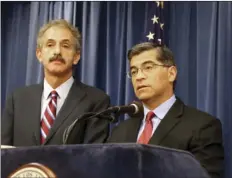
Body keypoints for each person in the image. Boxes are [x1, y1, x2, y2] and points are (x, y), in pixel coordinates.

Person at [108, 42, 224, 178]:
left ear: (171, 73)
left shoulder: (202, 126)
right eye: (134, 71)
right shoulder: (120, 132)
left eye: (148, 67)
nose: (139, 77)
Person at [1, 19, 110, 146]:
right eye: (50, 45)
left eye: (65, 46)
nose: (57, 51)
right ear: (39, 54)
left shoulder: (96, 101)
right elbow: (4, 153)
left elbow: (93, 156)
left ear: (76, 56)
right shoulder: (17, 99)